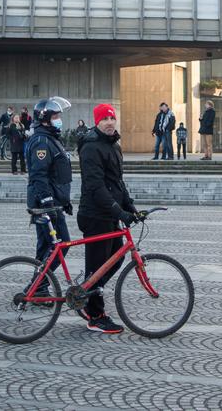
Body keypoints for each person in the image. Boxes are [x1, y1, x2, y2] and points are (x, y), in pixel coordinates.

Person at [77, 103, 140, 334]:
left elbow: (117, 182)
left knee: (116, 258)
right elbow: (96, 187)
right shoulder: (91, 147)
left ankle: (86, 294)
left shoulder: (114, 146)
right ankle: (95, 316)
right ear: (97, 122)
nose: (110, 123)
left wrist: (130, 207)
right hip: (95, 215)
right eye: (105, 119)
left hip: (109, 214)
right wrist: (118, 211)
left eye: (112, 118)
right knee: (97, 267)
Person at [25, 97, 73, 296]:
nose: (59, 119)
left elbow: (57, 175)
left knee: (46, 246)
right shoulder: (42, 141)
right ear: (44, 119)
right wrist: (48, 202)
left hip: (52, 202)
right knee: (61, 244)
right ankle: (37, 286)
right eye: (55, 116)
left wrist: (64, 201)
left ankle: (39, 288)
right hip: (45, 204)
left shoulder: (50, 138)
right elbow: (39, 175)